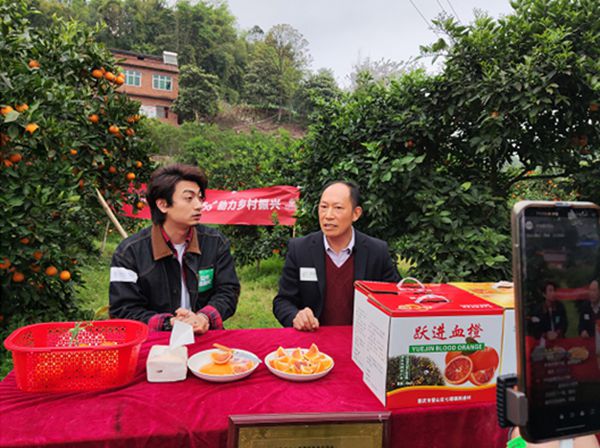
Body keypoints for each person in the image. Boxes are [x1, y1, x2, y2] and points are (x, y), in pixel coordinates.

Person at [109, 164, 240, 334]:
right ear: (163, 205)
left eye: (200, 198)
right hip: (156, 340)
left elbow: (228, 292)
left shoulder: (215, 243)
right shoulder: (129, 253)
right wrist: (169, 323)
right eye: (189, 198)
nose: (199, 205)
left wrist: (204, 317)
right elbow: (122, 310)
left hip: (205, 336)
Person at [273, 180, 400, 331]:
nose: (328, 216)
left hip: (361, 339)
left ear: (356, 214)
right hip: (313, 338)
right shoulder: (300, 249)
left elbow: (396, 298)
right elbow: (282, 301)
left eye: (338, 208)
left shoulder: (376, 251)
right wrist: (295, 316)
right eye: (323, 207)